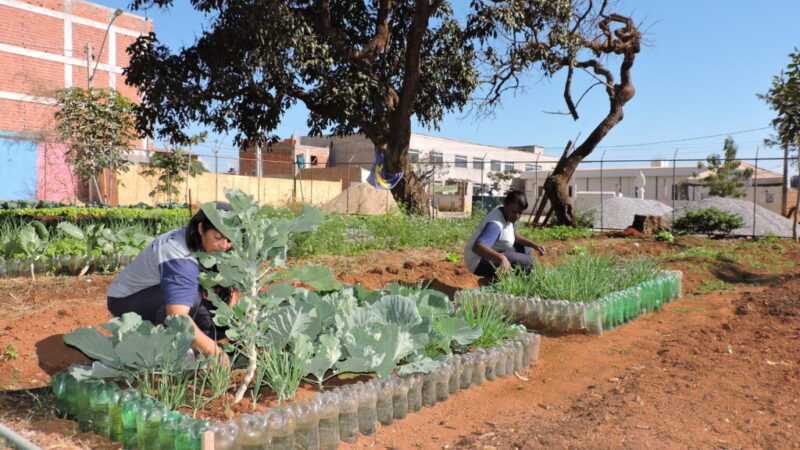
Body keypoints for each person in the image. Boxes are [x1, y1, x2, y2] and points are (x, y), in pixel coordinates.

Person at [107, 201, 238, 363]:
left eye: (229, 239)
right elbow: (177, 315)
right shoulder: (179, 256)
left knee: (211, 324)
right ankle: (169, 350)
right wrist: (216, 354)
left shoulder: (203, 241)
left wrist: (234, 325)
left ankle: (186, 343)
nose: (224, 245)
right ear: (201, 228)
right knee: (191, 298)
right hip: (127, 301)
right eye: (218, 237)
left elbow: (235, 290)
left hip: (162, 293)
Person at [464, 190, 545, 277]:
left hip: (492, 250)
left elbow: (511, 234)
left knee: (526, 249)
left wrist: (534, 245)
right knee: (528, 263)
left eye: (520, 213)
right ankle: (499, 281)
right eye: (515, 212)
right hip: (478, 261)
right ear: (506, 205)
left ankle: (505, 277)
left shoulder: (505, 212)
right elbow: (477, 248)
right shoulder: (495, 224)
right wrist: (502, 258)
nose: (517, 216)